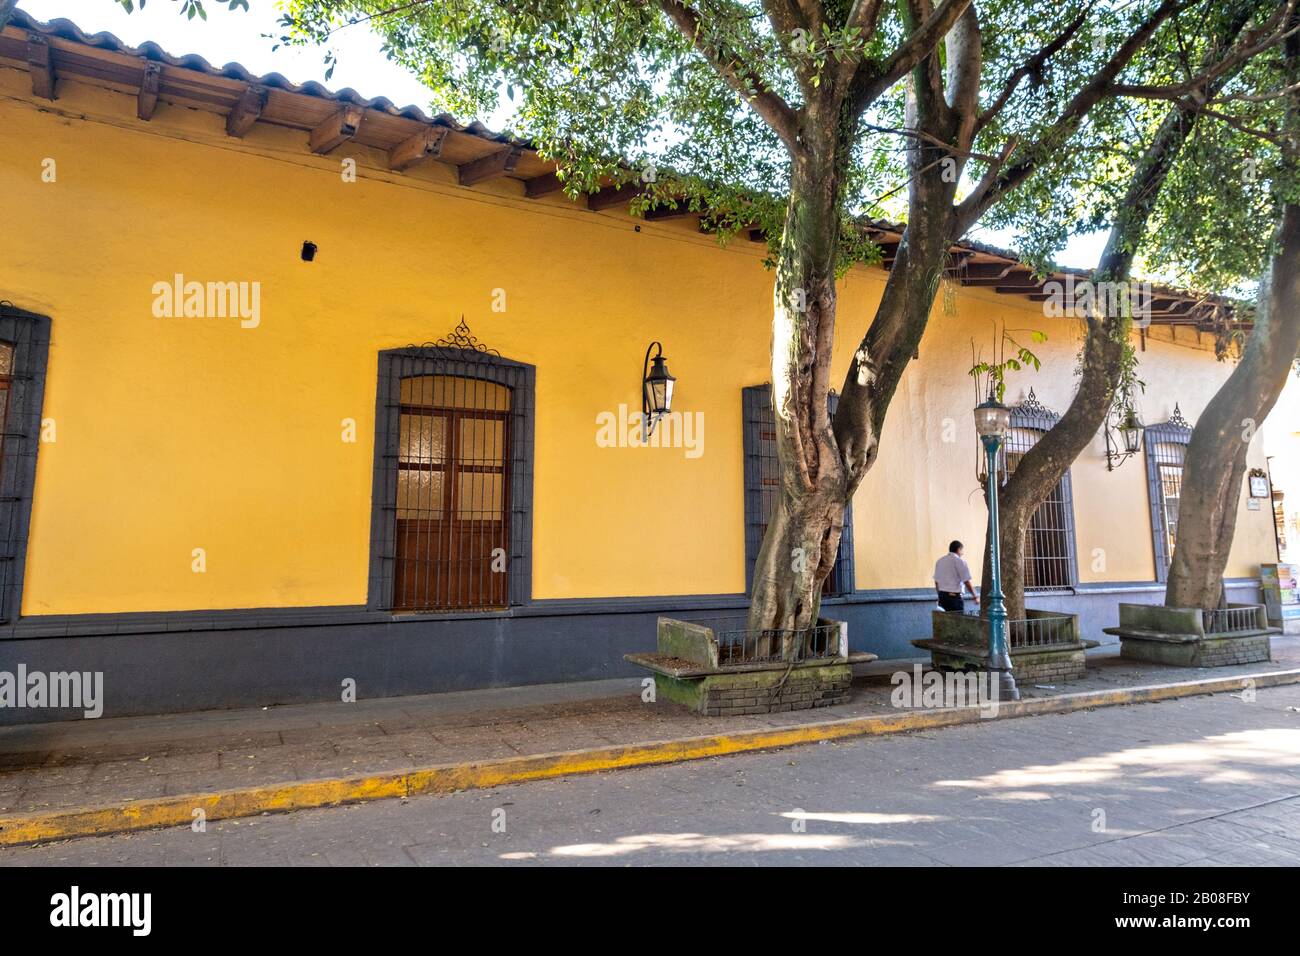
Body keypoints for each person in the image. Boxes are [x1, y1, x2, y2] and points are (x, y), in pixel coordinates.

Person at [934, 540, 978, 613]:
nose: (962, 553)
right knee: (957, 622)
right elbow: (966, 581)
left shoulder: (939, 561)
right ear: (958, 549)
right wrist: (975, 596)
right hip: (955, 599)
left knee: (944, 621)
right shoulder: (960, 561)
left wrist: (940, 595)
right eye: (962, 551)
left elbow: (936, 581)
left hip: (942, 597)